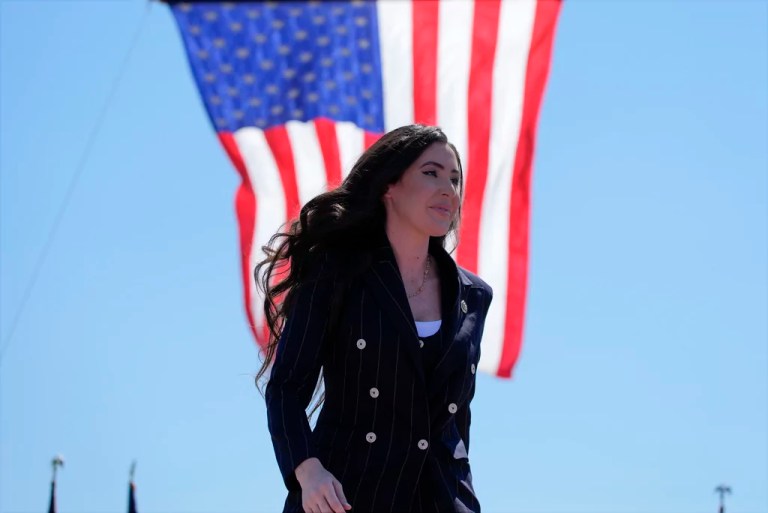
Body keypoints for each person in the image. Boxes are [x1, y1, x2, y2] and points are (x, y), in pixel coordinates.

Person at [255, 124, 493, 513]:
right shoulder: (336, 272)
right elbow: (286, 387)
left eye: (454, 179)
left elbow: (456, 422)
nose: (449, 190)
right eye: (431, 173)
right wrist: (307, 470)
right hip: (345, 495)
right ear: (389, 186)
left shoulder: (474, 296)